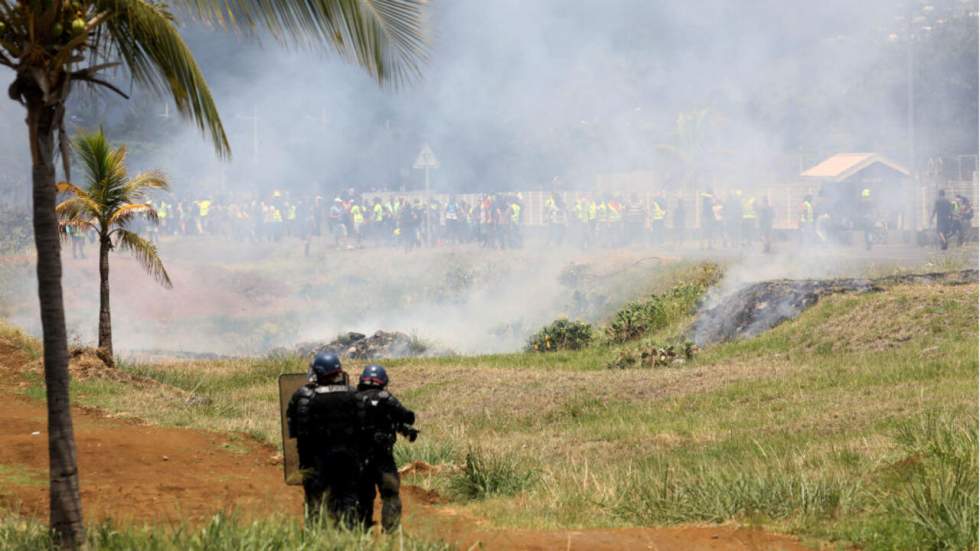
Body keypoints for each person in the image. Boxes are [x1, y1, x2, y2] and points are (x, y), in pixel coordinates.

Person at [286, 352, 362, 527]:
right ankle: (349, 538)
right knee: (348, 500)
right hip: (347, 459)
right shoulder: (353, 394)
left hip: (316, 460)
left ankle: (317, 539)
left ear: (318, 372)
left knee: (315, 502)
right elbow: (363, 426)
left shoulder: (304, 395)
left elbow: (297, 430)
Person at [354, 364, 418, 533]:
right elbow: (408, 417)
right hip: (383, 458)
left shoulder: (353, 398)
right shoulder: (386, 397)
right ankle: (390, 534)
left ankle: (361, 531)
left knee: (363, 496)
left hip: (359, 458)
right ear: (383, 381)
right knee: (390, 494)